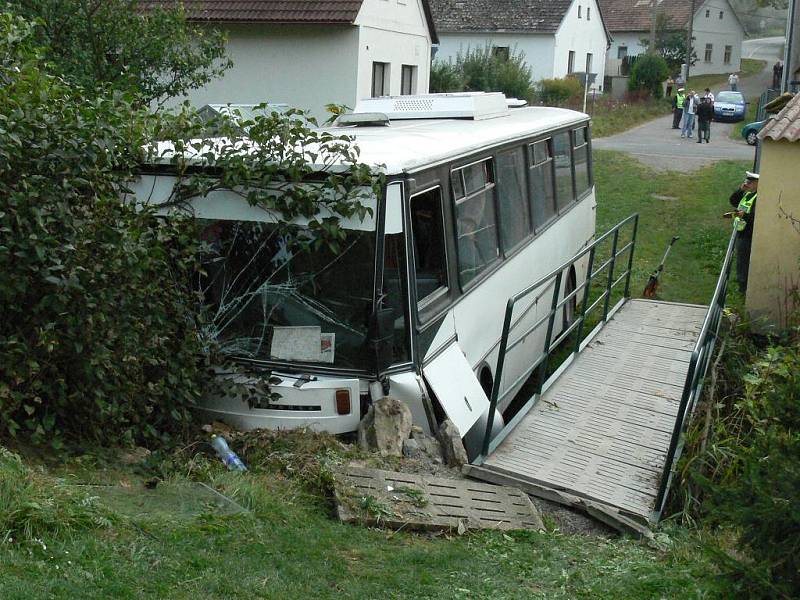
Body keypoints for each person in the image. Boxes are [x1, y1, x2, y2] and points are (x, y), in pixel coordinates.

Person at [728, 171, 759, 294]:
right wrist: (740, 190)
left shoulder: (759, 197)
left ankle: (744, 289)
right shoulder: (748, 195)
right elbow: (733, 200)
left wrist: (743, 215)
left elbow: (756, 216)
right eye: (747, 182)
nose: (748, 184)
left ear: (758, 183)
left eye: (751, 182)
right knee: (741, 261)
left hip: (749, 235)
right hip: (741, 232)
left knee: (744, 262)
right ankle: (742, 287)